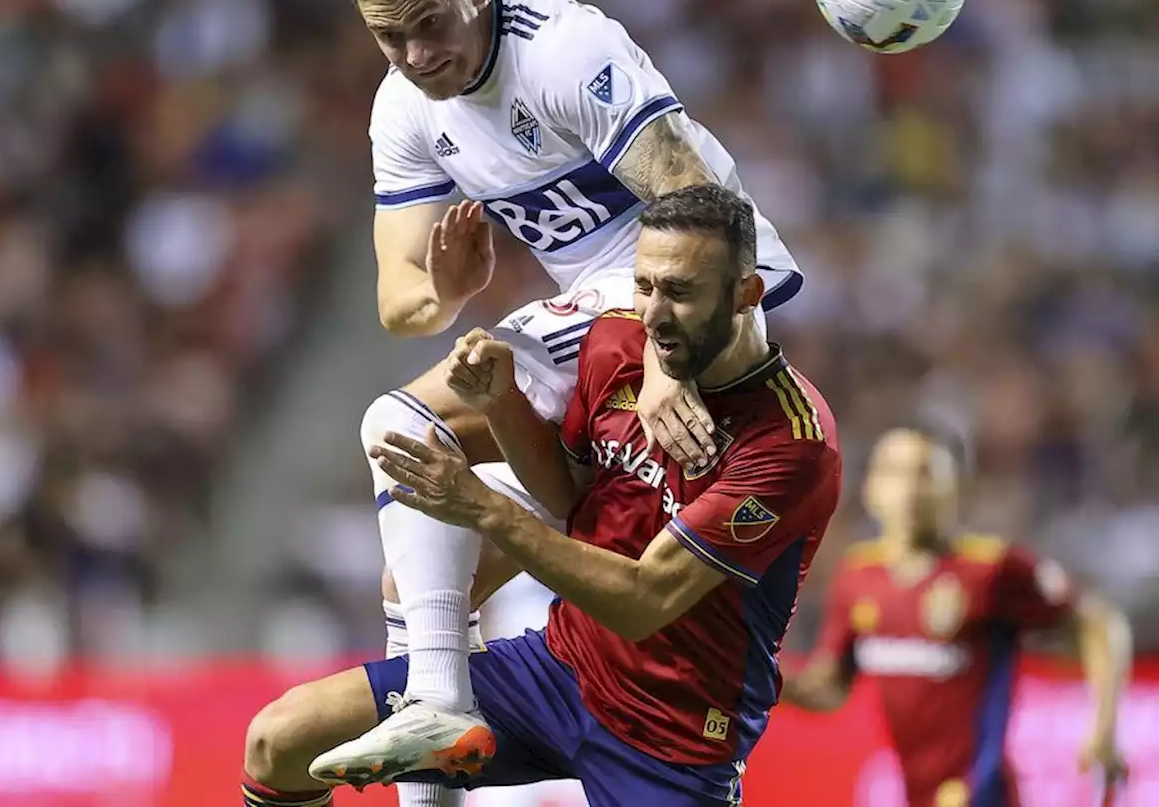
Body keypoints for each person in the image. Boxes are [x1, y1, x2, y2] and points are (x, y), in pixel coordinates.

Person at [333, 0, 804, 802]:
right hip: (596, 318)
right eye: (390, 39)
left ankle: (435, 702)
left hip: (691, 287)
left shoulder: (560, 48)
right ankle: (436, 763)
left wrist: (669, 358)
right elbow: (401, 301)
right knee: (424, 583)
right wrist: (450, 290)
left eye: (430, 24)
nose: (416, 55)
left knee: (400, 421)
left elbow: (692, 198)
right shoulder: (404, 107)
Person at [241, 186, 839, 807]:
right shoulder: (616, 342)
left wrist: (481, 506)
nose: (654, 315)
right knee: (279, 740)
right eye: (644, 285)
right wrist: (502, 402)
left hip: (674, 740)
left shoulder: (793, 444)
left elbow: (644, 598)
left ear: (747, 295)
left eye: (681, 293)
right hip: (554, 674)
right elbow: (568, 490)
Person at [782, 426, 1132, 807]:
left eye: (926, 473)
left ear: (956, 489)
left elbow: (1098, 624)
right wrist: (763, 680)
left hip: (981, 794)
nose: (910, 490)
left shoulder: (991, 570)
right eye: (895, 473)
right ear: (871, 489)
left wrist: (1104, 726)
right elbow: (829, 688)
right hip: (913, 792)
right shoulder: (857, 577)